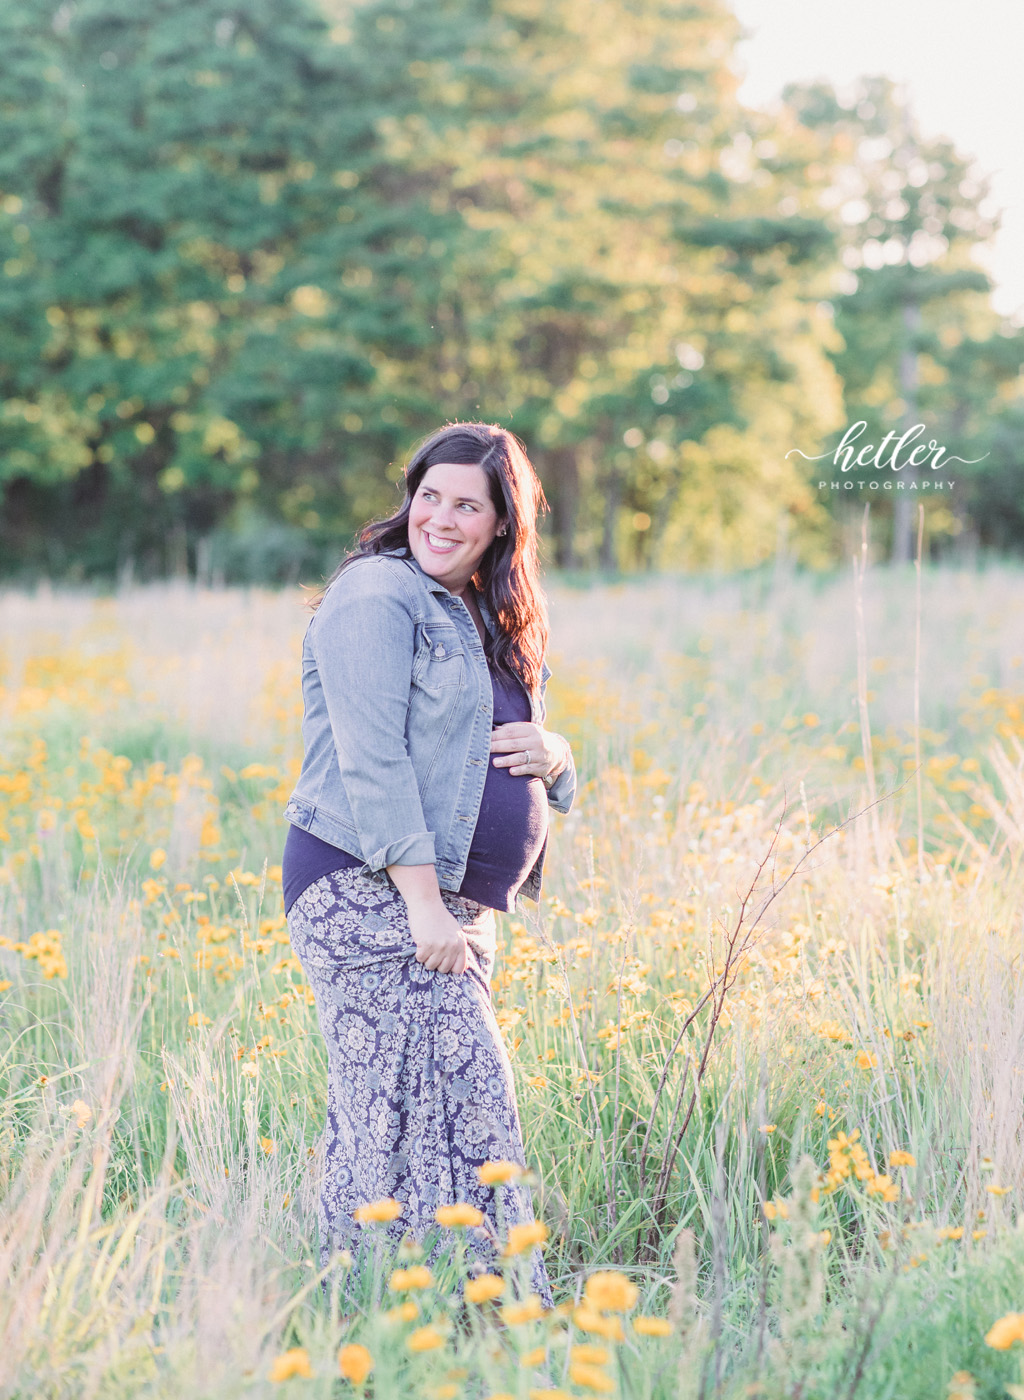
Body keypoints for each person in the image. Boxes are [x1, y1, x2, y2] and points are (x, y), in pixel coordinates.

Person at [282, 422, 576, 1308]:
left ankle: (443, 1312)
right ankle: (391, 1311)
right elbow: (372, 759)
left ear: (500, 526)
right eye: (431, 496)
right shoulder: (379, 594)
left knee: (439, 1113)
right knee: (409, 1109)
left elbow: (505, 752)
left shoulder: (485, 614)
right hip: (368, 890)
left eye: (468, 505)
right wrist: (422, 908)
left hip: (444, 906)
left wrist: (558, 754)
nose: (441, 518)